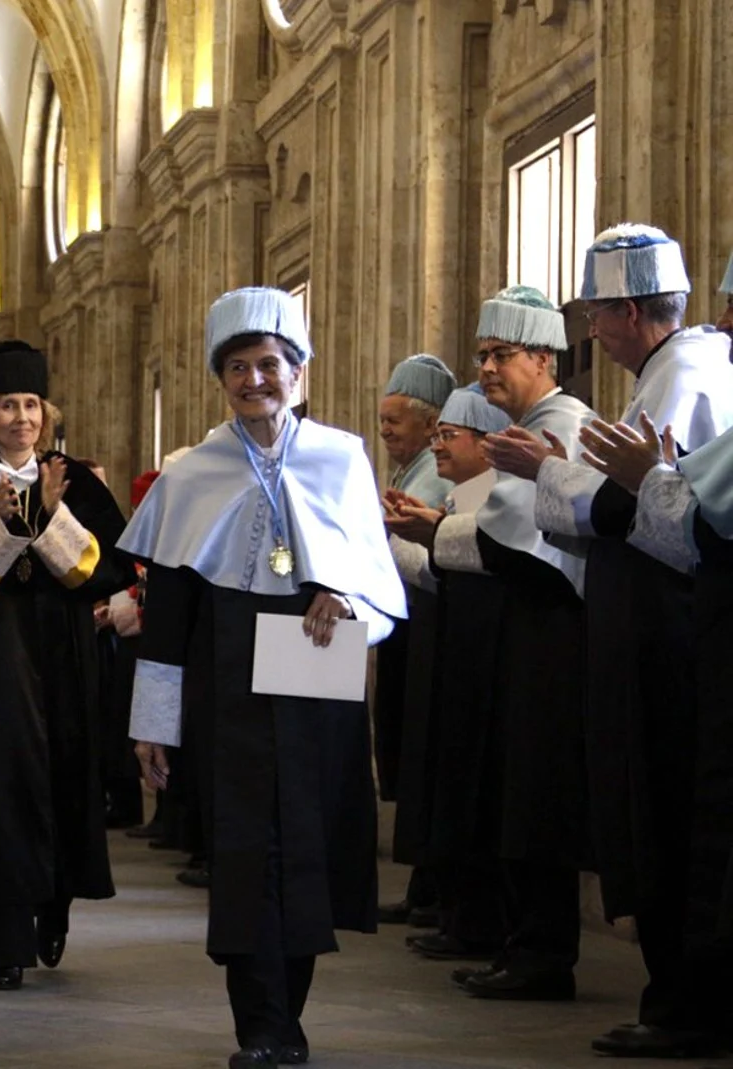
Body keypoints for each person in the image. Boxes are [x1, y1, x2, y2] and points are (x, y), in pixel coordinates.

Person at [123, 287, 405, 1069]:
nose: (255, 380)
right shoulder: (192, 471)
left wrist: (344, 593)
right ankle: (260, 1025)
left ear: (300, 372)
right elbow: (170, 616)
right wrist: (153, 721)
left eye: (270, 364)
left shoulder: (341, 456)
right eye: (238, 367)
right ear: (222, 380)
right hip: (229, 672)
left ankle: (291, 1016)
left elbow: (379, 584)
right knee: (247, 850)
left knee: (309, 842)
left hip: (315, 661)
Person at [511, 225, 733, 1058]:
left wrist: (545, 471)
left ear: (632, 310)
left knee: (675, 815)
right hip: (663, 626)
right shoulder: (668, 373)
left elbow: (631, 507)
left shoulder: (688, 374)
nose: (590, 331)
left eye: (597, 313)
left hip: (670, 634)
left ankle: (684, 1003)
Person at [0, 340, 129, 990]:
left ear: (46, 411)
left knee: (65, 779)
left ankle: (55, 906)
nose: (21, 418)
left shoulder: (77, 480)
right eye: (7, 405)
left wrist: (49, 517)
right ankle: (4, 940)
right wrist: (4, 526)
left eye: (31, 404)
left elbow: (112, 569)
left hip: (66, 656)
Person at [435, 285, 594, 1003]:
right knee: (517, 788)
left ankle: (542, 952)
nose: (487, 369)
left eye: (500, 355)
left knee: (539, 792)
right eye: (481, 356)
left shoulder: (562, 425)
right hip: (526, 628)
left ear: (541, 356)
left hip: (554, 633)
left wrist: (428, 537)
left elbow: (515, 540)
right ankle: (523, 943)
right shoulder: (527, 425)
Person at [382, 384, 518, 967]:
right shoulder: (462, 495)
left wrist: (419, 535)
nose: (438, 447)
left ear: (488, 445)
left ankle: (480, 922)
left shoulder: (494, 495)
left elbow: (476, 561)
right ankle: (455, 910)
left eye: (448, 435)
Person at [372, 353, 456, 926]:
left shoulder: (435, 470)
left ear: (431, 426)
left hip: (430, 624)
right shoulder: (411, 470)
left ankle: (435, 887)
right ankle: (425, 884)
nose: (384, 432)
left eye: (394, 421)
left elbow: (425, 552)